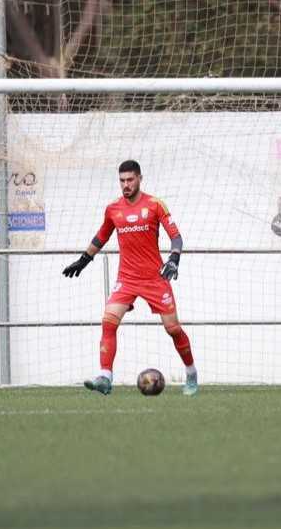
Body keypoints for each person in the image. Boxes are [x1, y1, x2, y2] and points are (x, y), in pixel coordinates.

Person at [62, 160, 198, 396]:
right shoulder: (113, 209)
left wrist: (174, 259)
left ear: (139, 179)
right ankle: (105, 377)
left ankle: (191, 373)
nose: (126, 185)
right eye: (122, 180)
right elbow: (102, 236)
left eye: (130, 180)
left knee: (173, 328)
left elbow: (176, 237)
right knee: (108, 321)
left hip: (155, 278)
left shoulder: (156, 205)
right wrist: (83, 260)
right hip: (127, 278)